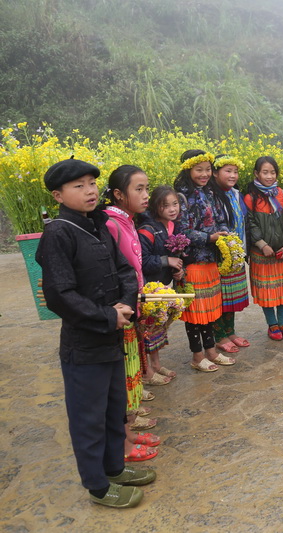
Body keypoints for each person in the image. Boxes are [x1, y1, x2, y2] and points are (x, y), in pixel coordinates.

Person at [36, 158, 156, 508]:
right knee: (88, 417)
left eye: (91, 183)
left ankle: (114, 468)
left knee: (113, 407)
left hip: (112, 336)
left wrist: (125, 306)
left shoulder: (97, 223)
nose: (90, 190)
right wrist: (107, 316)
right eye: (79, 186)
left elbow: (123, 270)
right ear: (58, 195)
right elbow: (60, 294)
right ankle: (98, 486)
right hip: (84, 345)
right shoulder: (58, 232)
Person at [103, 165, 162, 463]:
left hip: (133, 309)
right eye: (138, 189)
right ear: (117, 194)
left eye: (146, 188)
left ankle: (127, 432)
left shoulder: (129, 222)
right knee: (124, 378)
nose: (145, 195)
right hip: (121, 312)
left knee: (131, 374)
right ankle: (124, 444)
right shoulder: (112, 224)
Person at [174, 149, 236, 371]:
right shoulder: (180, 197)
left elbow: (221, 219)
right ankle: (197, 356)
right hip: (193, 261)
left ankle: (211, 350)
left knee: (209, 309)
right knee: (195, 313)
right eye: (198, 169)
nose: (204, 174)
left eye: (208, 169)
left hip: (211, 260)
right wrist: (210, 237)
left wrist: (223, 233)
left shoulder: (210, 192)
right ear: (187, 169)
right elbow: (181, 232)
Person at [244, 156, 283, 341]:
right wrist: (261, 244)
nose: (269, 176)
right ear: (256, 174)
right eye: (265, 172)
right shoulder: (250, 198)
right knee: (267, 290)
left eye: (272, 172)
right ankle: (272, 324)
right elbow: (250, 223)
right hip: (261, 253)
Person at [138, 185, 184, 379]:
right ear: (156, 207)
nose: (172, 209)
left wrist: (180, 270)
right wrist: (167, 261)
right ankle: (148, 369)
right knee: (147, 329)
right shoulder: (147, 230)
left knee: (158, 327)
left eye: (175, 204)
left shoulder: (173, 226)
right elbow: (142, 260)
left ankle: (156, 365)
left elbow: (178, 255)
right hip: (149, 287)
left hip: (163, 285)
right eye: (166, 206)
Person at [211, 155, 250, 352]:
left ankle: (230, 331)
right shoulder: (212, 195)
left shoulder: (236, 194)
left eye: (235, 171)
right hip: (221, 254)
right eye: (228, 171)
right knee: (221, 296)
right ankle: (219, 335)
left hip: (237, 252)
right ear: (215, 172)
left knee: (232, 296)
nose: (233, 175)